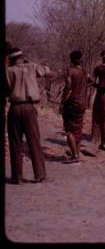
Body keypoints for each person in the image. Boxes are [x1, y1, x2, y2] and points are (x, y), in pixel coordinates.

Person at [6, 47, 52, 183]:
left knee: (15, 142)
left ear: (10, 59)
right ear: (21, 56)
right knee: (34, 141)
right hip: (29, 107)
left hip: (15, 108)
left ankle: (17, 176)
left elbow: (7, 91)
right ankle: (40, 174)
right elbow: (46, 70)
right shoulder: (32, 66)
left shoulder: (8, 71)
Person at [60, 50, 90, 163]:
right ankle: (77, 152)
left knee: (69, 130)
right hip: (82, 103)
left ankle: (75, 156)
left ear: (72, 59)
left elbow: (68, 85)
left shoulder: (70, 70)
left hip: (72, 103)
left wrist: (63, 99)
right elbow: (90, 80)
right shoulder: (84, 71)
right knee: (78, 129)